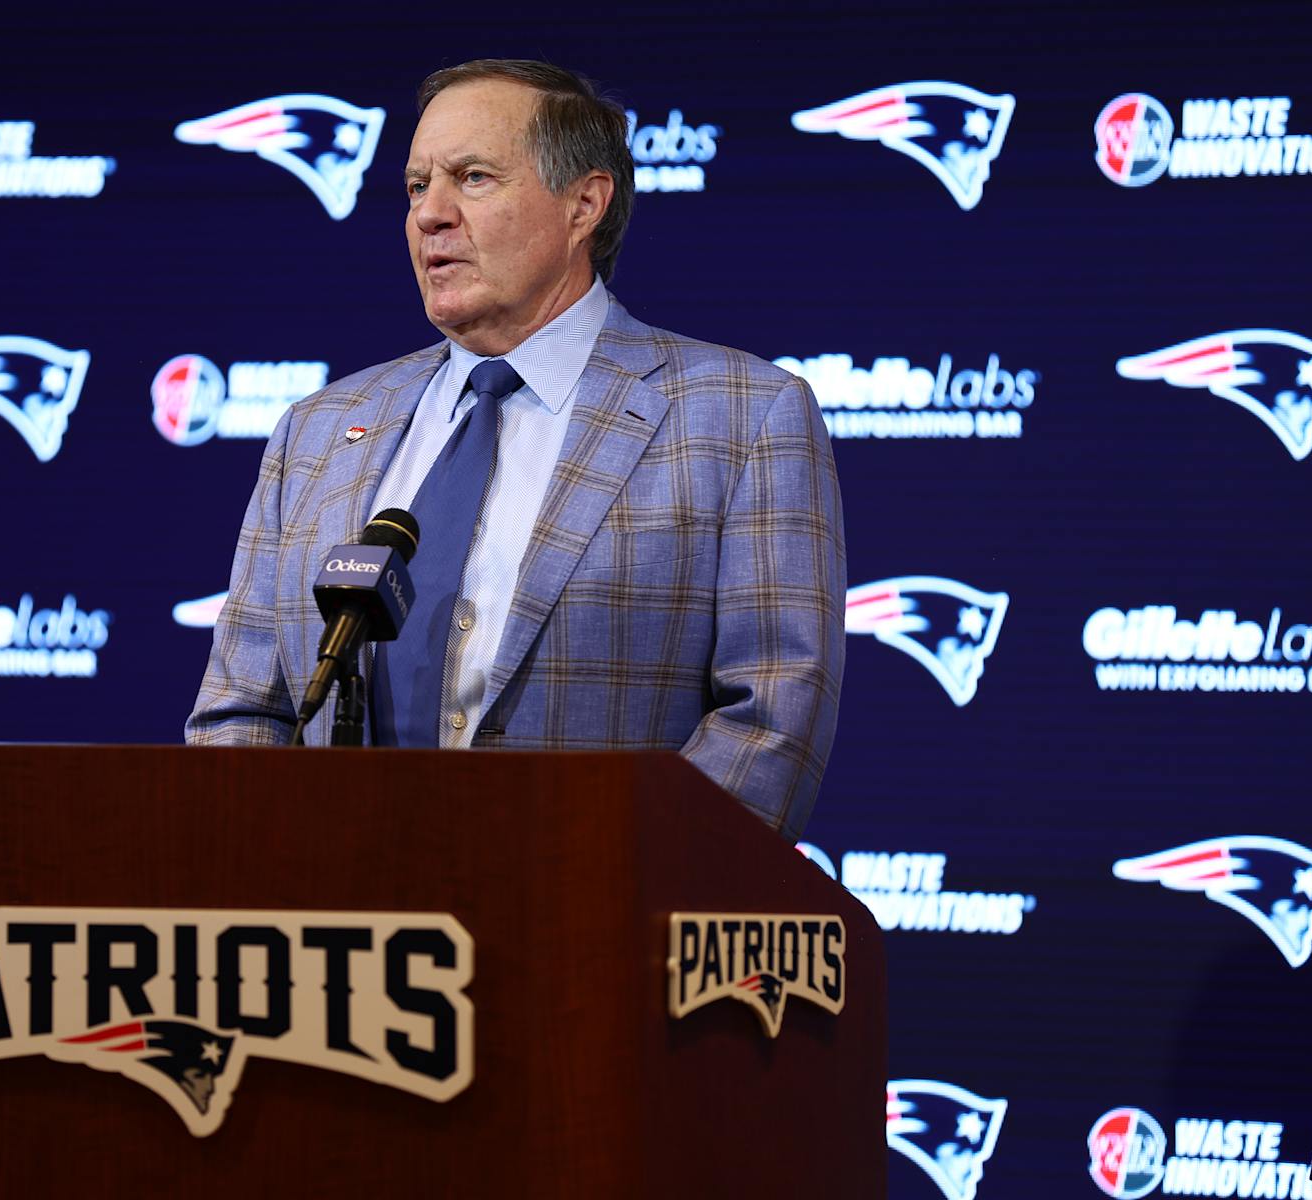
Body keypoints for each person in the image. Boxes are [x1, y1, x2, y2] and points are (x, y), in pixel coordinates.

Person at [186, 59, 844, 841]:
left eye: (472, 177)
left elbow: (771, 719)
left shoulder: (742, 415)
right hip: (351, 926)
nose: (430, 214)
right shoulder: (319, 429)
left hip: (596, 924)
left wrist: (594, 894)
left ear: (584, 204)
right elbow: (243, 710)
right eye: (416, 185)